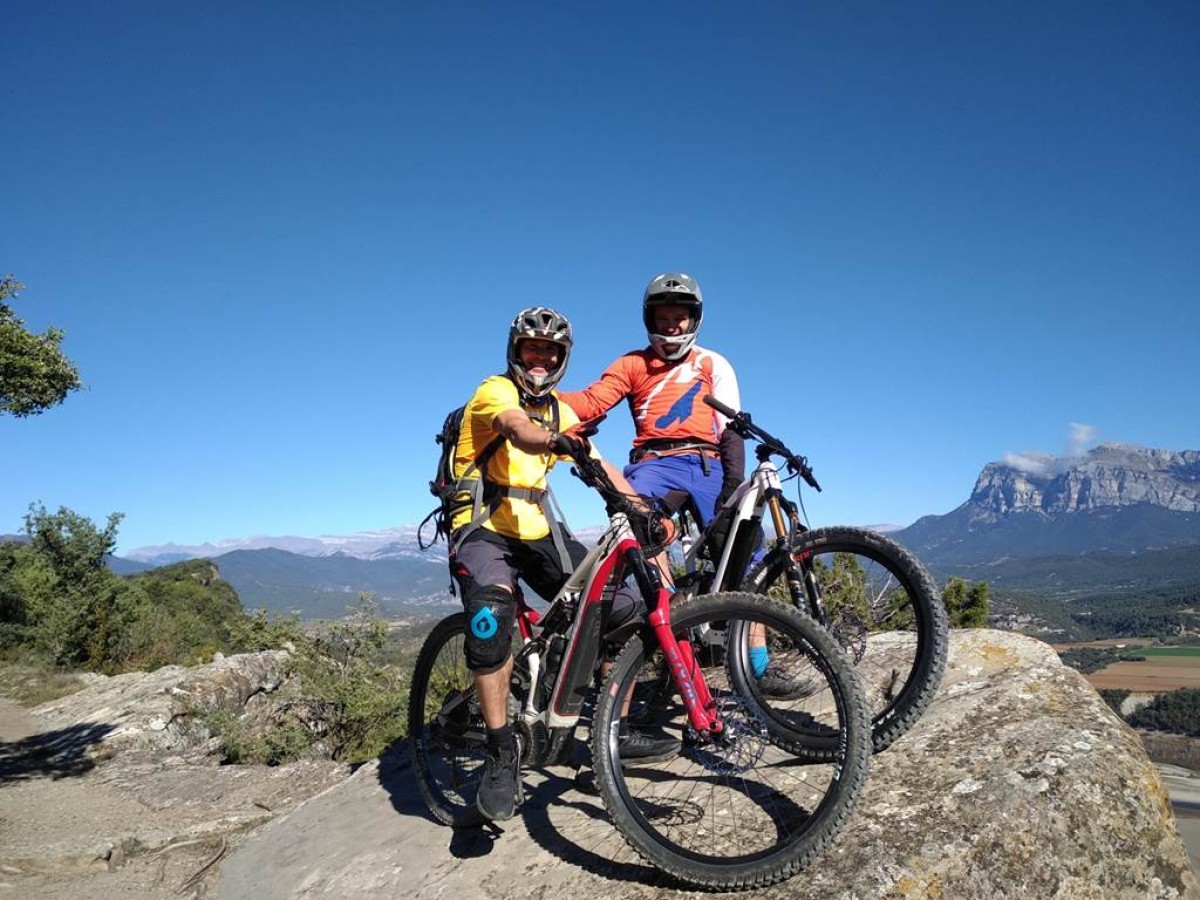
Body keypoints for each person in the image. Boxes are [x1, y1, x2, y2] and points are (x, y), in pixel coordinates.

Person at [448, 306, 675, 823]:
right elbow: (517, 429)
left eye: (552, 352)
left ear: (562, 360)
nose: (542, 359)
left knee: (626, 605)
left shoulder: (559, 411)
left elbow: (599, 463)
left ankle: (604, 729)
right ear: (516, 351)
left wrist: (642, 510)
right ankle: (502, 751)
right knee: (490, 621)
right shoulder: (496, 392)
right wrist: (553, 440)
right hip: (483, 529)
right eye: (533, 348)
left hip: (538, 531)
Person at [559, 272, 806, 699]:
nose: (672, 326)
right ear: (649, 318)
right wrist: (534, 397)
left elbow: (731, 428)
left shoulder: (713, 362)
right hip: (655, 462)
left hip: (708, 464)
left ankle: (759, 668)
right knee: (636, 546)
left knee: (748, 556)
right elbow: (592, 402)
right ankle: (627, 689)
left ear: (694, 320)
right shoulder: (633, 364)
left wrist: (733, 490)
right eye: (663, 316)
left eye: (680, 317)